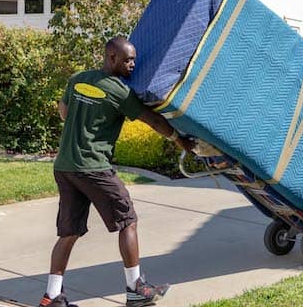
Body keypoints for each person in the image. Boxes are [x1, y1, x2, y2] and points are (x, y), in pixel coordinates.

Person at [39, 36, 194, 307]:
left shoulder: (78, 80)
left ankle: (51, 297)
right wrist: (180, 140)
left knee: (69, 233)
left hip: (65, 167)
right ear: (112, 58)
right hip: (94, 168)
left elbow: (64, 113)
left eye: (133, 59)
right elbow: (153, 119)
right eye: (128, 60)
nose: (133, 64)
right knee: (128, 220)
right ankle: (136, 288)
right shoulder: (119, 91)